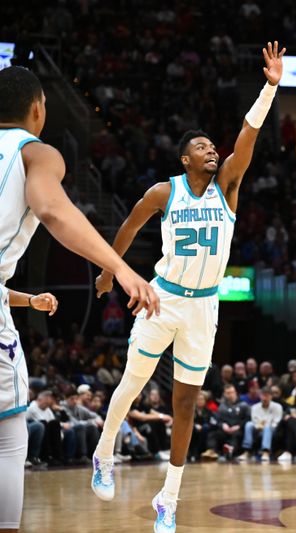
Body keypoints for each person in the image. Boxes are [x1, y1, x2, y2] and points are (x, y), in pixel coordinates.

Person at [90, 42, 284, 533]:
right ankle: (104, 449)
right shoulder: (164, 191)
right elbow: (130, 227)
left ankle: (169, 498)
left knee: (186, 403)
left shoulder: (229, 188)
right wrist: (111, 269)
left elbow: (247, 135)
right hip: (164, 297)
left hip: (205, 308)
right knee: (133, 384)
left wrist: (270, 87)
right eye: (202, 147)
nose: (212, 150)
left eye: (212, 147)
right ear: (184, 158)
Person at [0, 66, 159, 533]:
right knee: (8, 440)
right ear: (37, 109)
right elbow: (52, 209)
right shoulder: (37, 152)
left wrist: (27, 302)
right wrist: (123, 268)